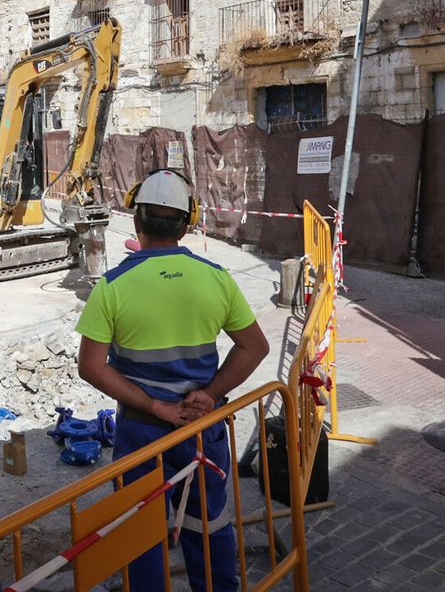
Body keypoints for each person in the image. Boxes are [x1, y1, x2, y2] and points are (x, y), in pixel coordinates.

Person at [75, 169, 270, 592]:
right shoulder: (216, 278)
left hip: (142, 432)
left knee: (140, 531)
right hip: (202, 427)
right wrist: (211, 394)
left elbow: (91, 366)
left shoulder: (111, 287)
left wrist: (154, 406)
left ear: (136, 221)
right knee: (210, 522)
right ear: (187, 224)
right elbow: (254, 347)